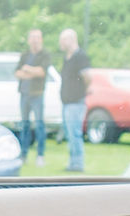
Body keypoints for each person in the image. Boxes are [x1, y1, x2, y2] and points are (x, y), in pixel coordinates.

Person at [15, 29, 51, 167]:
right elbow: (17, 72)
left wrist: (27, 69)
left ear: (41, 39)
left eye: (37, 37)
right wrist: (30, 72)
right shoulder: (25, 54)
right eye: (32, 37)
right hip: (24, 95)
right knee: (24, 125)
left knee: (39, 125)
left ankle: (40, 155)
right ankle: (23, 155)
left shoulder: (45, 55)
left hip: (37, 94)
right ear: (29, 40)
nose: (35, 40)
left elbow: (41, 72)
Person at [58, 29, 92, 172]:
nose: (60, 43)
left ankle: (78, 164)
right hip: (66, 102)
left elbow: (88, 77)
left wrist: (82, 91)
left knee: (75, 133)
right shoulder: (67, 58)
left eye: (62, 40)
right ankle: (72, 163)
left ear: (71, 39)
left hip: (76, 102)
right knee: (69, 133)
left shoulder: (80, 57)